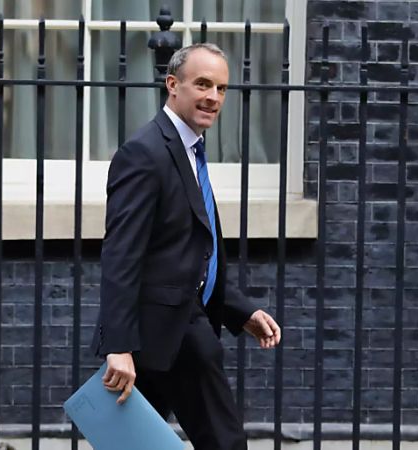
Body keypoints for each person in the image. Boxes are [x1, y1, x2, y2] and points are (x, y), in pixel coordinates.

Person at [91, 43, 282, 450]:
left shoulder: (190, 149)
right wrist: (118, 347)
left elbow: (187, 254)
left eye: (222, 88)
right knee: (225, 442)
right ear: (173, 85)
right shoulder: (145, 153)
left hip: (170, 329)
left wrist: (240, 309)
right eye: (203, 84)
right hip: (171, 331)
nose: (213, 97)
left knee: (130, 444)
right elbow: (121, 254)